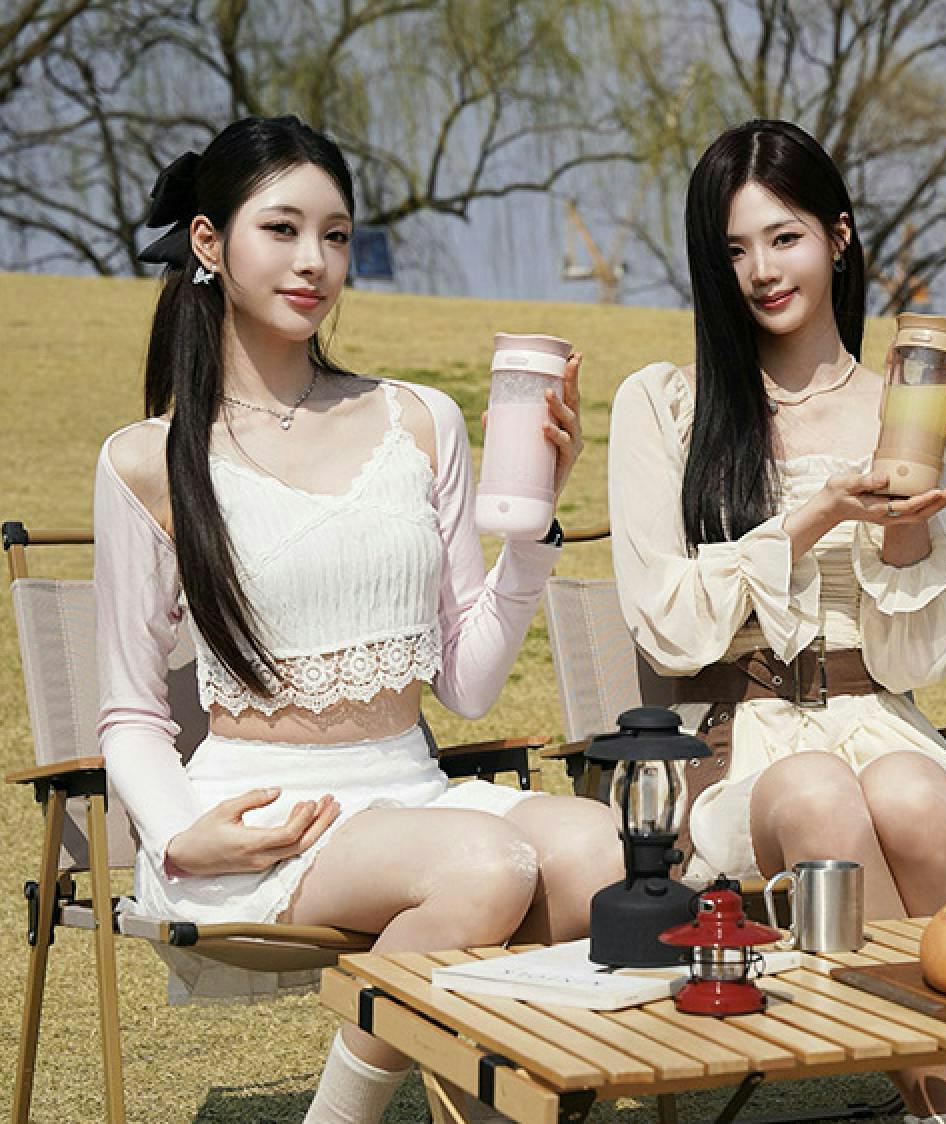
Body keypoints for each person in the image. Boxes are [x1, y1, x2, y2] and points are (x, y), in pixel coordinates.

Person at [97, 116, 622, 1124]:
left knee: (601, 850)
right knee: (486, 867)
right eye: (282, 229)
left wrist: (533, 533)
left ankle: (493, 1107)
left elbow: (467, 686)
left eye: (335, 235)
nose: (314, 260)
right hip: (263, 817)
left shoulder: (420, 420)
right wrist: (180, 837)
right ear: (209, 241)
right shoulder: (148, 458)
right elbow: (129, 711)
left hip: (411, 788)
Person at [607, 118, 946, 1124]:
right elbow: (666, 626)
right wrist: (813, 517)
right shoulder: (668, 405)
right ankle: (938, 1101)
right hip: (737, 743)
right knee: (819, 790)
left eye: (785, 237)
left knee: (913, 788)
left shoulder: (908, 408)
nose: (763, 270)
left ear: (839, 236)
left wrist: (909, 516)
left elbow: (910, 655)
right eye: (735, 248)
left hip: (873, 717)